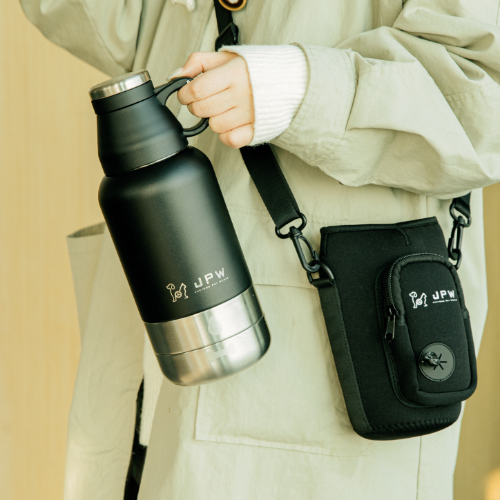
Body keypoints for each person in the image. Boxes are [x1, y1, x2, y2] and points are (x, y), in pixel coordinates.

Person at [20, 0, 500, 498]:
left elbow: (483, 99)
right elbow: (113, 25)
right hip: (148, 385)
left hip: (314, 387)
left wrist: (291, 88)